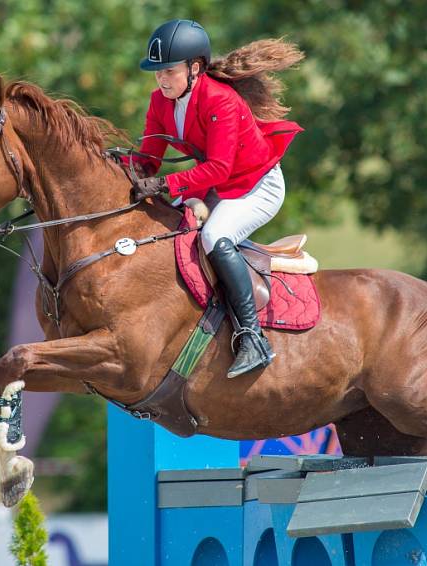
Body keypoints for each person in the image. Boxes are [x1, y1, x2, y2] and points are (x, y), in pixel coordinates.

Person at [132, 19, 304, 378]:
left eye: (169, 71)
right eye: (157, 73)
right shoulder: (159, 102)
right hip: (211, 185)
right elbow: (148, 159)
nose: (161, 80)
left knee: (214, 236)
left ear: (195, 68)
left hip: (257, 185)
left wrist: (164, 185)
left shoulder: (221, 101)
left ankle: (252, 338)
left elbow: (219, 169)